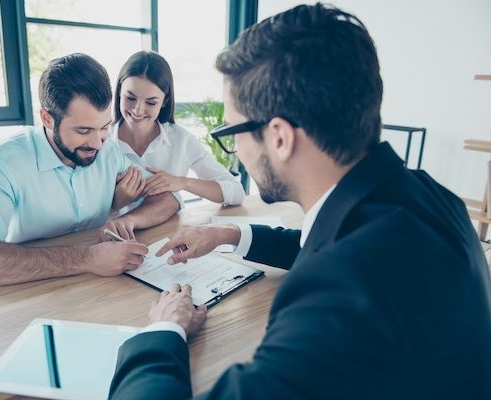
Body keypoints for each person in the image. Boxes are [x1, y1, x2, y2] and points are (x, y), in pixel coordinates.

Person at [108, 4, 491, 399]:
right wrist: (227, 234)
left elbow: (343, 271)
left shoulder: (336, 298)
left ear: (279, 137)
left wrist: (163, 330)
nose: (236, 149)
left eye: (233, 130)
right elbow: (335, 240)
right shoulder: (429, 196)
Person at [0, 53, 180, 287]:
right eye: (83, 131)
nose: (98, 143)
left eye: (104, 128)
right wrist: (86, 259)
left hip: (100, 288)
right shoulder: (0, 164)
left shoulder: (110, 151)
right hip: (28, 291)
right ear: (47, 118)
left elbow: (169, 198)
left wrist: (129, 220)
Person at [110, 51, 245, 213]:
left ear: (164, 102)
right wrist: (115, 203)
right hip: (113, 235)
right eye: (130, 98)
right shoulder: (102, 141)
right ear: (119, 93)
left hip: (167, 233)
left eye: (151, 103)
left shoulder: (181, 140)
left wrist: (181, 182)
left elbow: (236, 193)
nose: (138, 110)